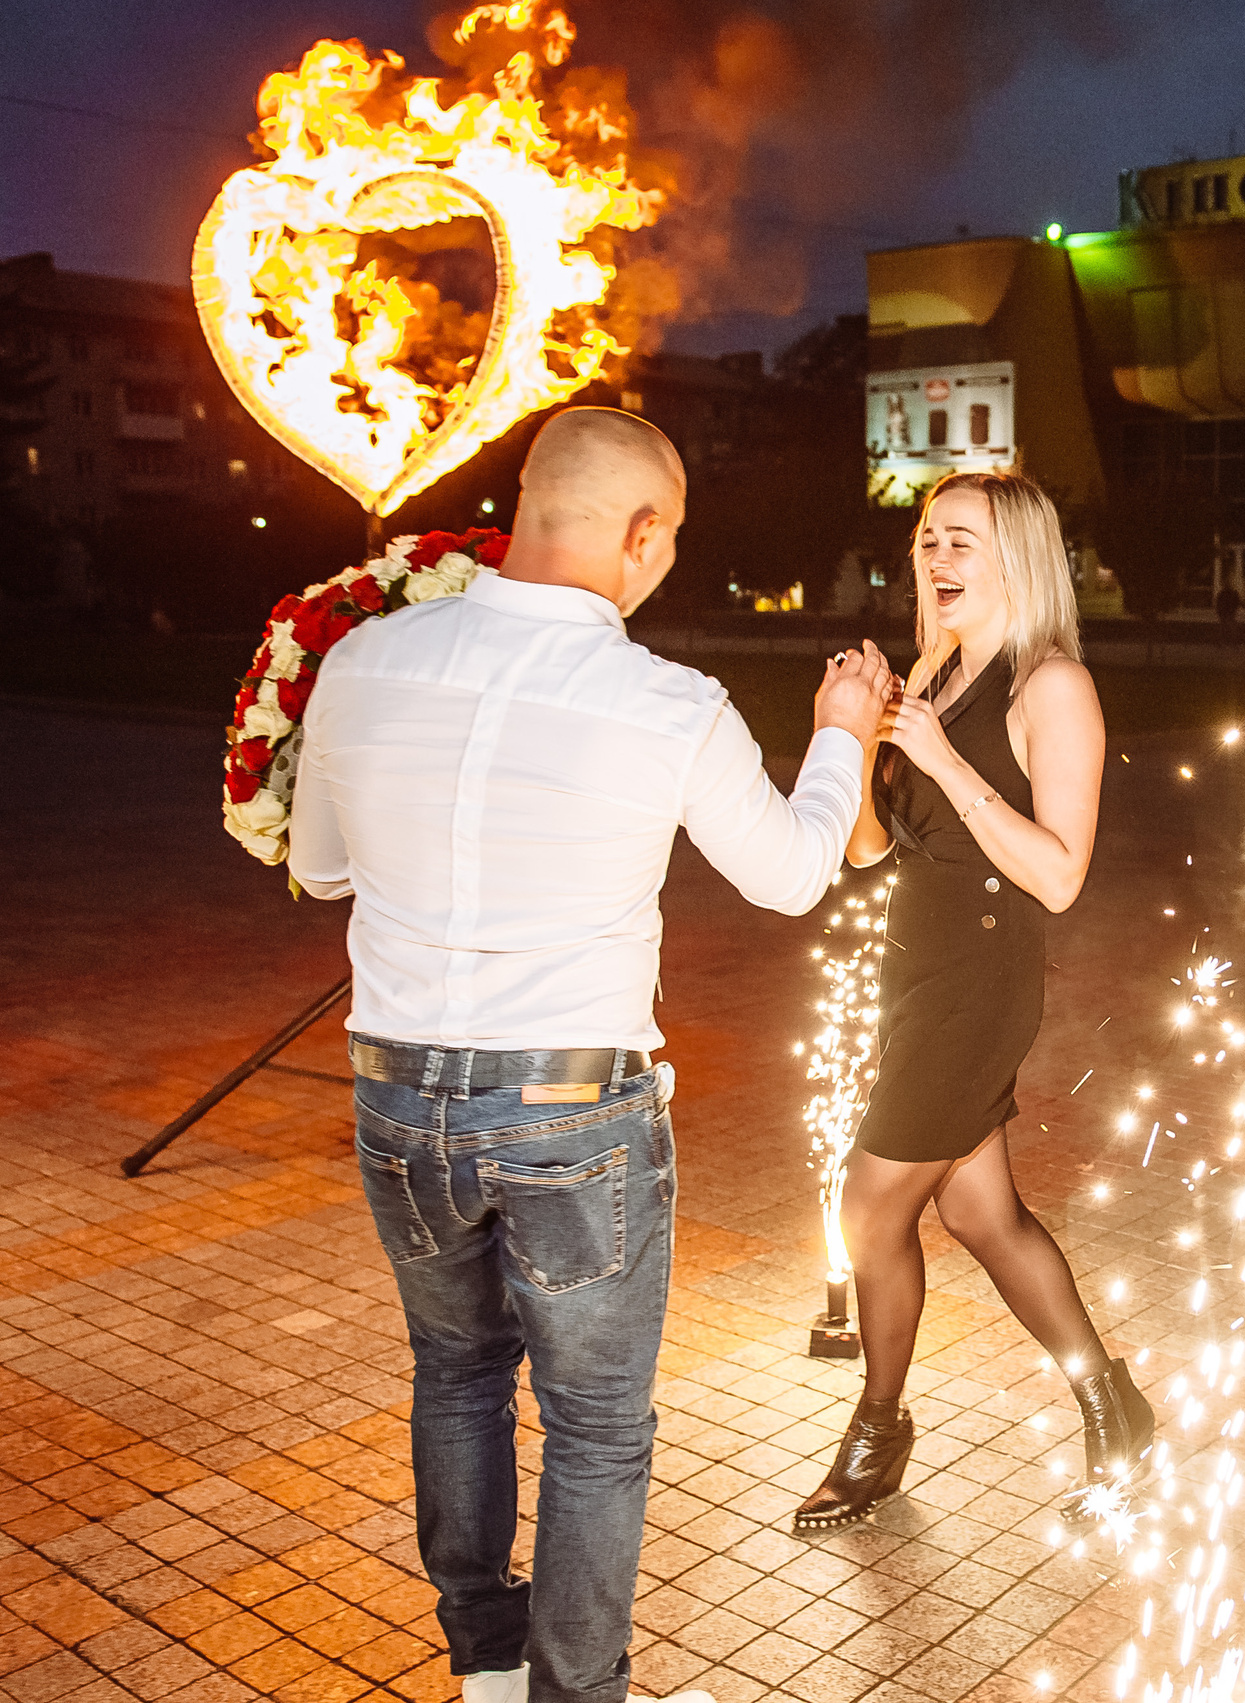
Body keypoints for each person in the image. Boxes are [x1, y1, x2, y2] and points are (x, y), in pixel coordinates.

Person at [289, 408, 892, 1703]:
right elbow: (793, 872)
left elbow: (319, 866)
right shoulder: (665, 702)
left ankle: (486, 1664)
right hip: (570, 1112)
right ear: (643, 533)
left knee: (457, 1373)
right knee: (597, 1425)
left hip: (397, 1096)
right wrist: (844, 726)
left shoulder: (363, 659)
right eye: (669, 541)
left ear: (525, 503)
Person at [793, 470, 1149, 1533]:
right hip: (916, 973)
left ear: (1018, 559)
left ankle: (879, 1427)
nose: (935, 557)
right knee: (979, 1211)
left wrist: (941, 757)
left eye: (961, 540)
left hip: (982, 981)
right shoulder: (931, 676)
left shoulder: (1052, 686)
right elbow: (868, 851)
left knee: (870, 1208)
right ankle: (1114, 1405)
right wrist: (854, 736)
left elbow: (1059, 874)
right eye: (927, 538)